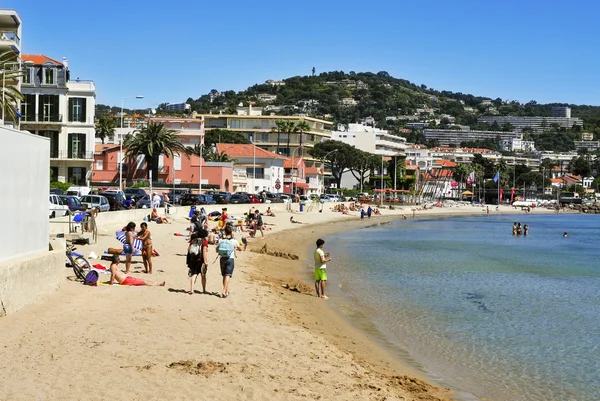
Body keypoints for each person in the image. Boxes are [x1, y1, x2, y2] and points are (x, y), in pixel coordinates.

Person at [217, 225, 242, 298]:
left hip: (222, 259)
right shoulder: (234, 241)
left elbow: (217, 250)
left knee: (224, 275)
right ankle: (224, 291)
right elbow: (240, 249)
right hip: (230, 259)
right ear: (231, 232)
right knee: (228, 275)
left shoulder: (221, 240)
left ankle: (226, 291)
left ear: (224, 232)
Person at [187, 228, 209, 294]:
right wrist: (205, 261)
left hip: (193, 259)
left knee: (194, 274)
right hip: (200, 260)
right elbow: (204, 251)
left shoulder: (193, 240)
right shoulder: (204, 241)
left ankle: (191, 289)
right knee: (203, 275)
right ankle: (204, 290)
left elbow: (188, 249)